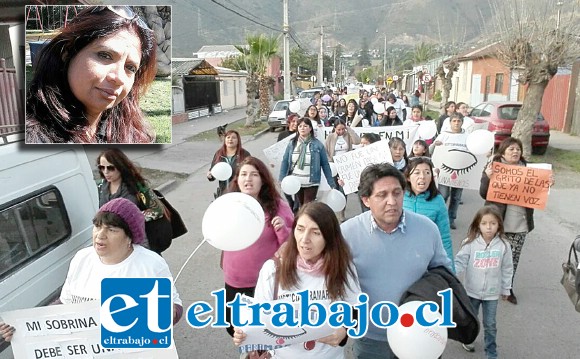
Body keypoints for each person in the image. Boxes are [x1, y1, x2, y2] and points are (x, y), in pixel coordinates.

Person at [0, 198, 182, 342]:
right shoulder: (82, 258)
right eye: (97, 226)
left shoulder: (150, 264)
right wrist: (25, 326)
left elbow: (175, 307)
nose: (100, 235)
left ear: (130, 237)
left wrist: (169, 312)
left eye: (111, 229)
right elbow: (65, 303)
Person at [341, 163, 452, 358]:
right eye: (382, 195)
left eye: (397, 193)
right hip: (372, 339)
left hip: (420, 335)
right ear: (366, 200)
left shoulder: (427, 229)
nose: (392, 201)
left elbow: (443, 273)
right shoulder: (347, 234)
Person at [233, 202, 361, 358]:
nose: (305, 239)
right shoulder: (273, 269)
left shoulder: (342, 267)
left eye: (315, 232)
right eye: (300, 229)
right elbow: (257, 319)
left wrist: (344, 331)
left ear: (329, 237)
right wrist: (244, 334)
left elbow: (355, 309)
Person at [25, 6, 157, 143]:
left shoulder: (136, 136)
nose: (119, 78)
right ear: (68, 52)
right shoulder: (31, 139)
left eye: (130, 67)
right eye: (105, 55)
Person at [222, 157, 294, 337]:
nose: (248, 179)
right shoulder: (228, 204)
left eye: (254, 175)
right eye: (244, 174)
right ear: (237, 179)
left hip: (268, 283)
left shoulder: (278, 207)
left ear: (263, 180)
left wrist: (282, 230)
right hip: (235, 281)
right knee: (238, 331)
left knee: (268, 332)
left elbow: (295, 245)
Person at [479, 137, 554, 304]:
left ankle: (507, 289)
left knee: (512, 259)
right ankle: (486, 286)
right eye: (511, 149)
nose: (515, 152)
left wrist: (547, 184)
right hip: (497, 224)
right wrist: (487, 177)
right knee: (493, 258)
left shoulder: (529, 170)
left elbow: (538, 193)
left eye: (518, 149)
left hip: (520, 224)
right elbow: (484, 193)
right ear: (503, 152)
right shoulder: (494, 168)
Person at [455, 206, 514, 358]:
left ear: (499, 225)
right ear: (478, 225)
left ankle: (491, 352)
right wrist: (450, 276)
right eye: (484, 223)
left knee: (490, 325)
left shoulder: (504, 246)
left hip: (492, 294)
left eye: (493, 223)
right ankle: (468, 339)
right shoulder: (469, 243)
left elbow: (508, 268)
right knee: (470, 320)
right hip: (471, 291)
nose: (488, 227)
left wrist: (506, 289)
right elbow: (460, 262)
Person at [97, 148, 169, 251]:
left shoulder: (137, 185)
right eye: (101, 167)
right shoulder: (101, 186)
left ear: (120, 167)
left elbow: (158, 210)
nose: (106, 172)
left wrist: (134, 217)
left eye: (110, 168)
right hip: (114, 241)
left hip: (138, 240)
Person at [403, 157, 454, 269]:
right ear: (408, 177)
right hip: (401, 258)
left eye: (427, 172)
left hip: (426, 261)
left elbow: (444, 237)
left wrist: (450, 270)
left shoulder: (438, 201)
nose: (422, 176)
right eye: (417, 172)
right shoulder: (398, 197)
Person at [279, 118, 335, 207]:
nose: (302, 128)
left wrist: (331, 182)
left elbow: (325, 164)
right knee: (300, 206)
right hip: (296, 182)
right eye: (300, 126)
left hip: (311, 182)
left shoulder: (318, 145)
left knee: (307, 207)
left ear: (310, 129)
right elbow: (285, 161)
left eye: (305, 126)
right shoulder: (292, 143)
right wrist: (281, 178)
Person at [430, 113, 469, 230]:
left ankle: (451, 219)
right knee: (443, 195)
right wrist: (435, 145)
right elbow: (432, 151)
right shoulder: (443, 135)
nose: (456, 123)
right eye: (454, 121)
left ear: (462, 122)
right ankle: (440, 217)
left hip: (460, 172)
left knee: (456, 197)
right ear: (450, 122)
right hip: (445, 172)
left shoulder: (467, 136)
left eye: (459, 121)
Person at [324, 119, 361, 221]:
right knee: (334, 190)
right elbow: (326, 150)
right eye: (338, 129)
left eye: (343, 129)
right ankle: (334, 213)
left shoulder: (348, 135)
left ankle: (342, 213)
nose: (341, 131)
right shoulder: (330, 137)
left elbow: (357, 141)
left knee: (343, 190)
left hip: (345, 166)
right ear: (335, 129)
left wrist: (349, 130)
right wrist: (330, 162)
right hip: (334, 166)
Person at [207, 130, 251, 198]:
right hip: (223, 193)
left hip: (239, 193)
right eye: (228, 137)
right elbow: (213, 172)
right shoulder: (219, 154)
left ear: (238, 140)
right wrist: (210, 176)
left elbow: (250, 171)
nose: (230, 139)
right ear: (225, 140)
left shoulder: (244, 154)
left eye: (233, 138)